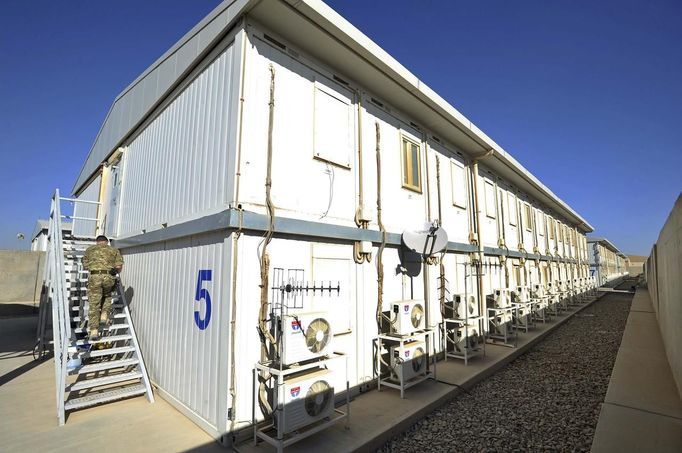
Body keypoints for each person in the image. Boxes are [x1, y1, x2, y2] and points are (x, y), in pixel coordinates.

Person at [81, 235, 124, 341]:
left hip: (94, 278)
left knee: (94, 304)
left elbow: (85, 266)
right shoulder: (114, 250)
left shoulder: (89, 250)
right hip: (108, 277)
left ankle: (94, 331)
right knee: (107, 294)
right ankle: (104, 315)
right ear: (107, 242)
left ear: (97, 242)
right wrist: (113, 271)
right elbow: (119, 267)